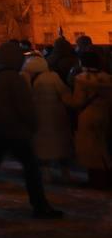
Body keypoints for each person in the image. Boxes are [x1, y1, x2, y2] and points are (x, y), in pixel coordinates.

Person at [0, 42, 62, 218]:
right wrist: (33, 125)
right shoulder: (14, 78)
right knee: (31, 168)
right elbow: (25, 107)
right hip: (14, 130)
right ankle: (40, 205)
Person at [62, 51, 112, 189]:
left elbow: (77, 102)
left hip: (87, 116)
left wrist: (64, 96)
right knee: (103, 146)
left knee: (90, 149)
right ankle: (106, 178)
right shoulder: (108, 78)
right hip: (104, 114)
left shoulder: (81, 79)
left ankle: (96, 180)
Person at [20, 55, 73, 184]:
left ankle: (46, 173)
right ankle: (65, 173)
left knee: (41, 147)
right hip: (56, 116)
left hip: (38, 117)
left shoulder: (24, 77)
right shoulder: (53, 77)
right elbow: (65, 94)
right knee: (61, 145)